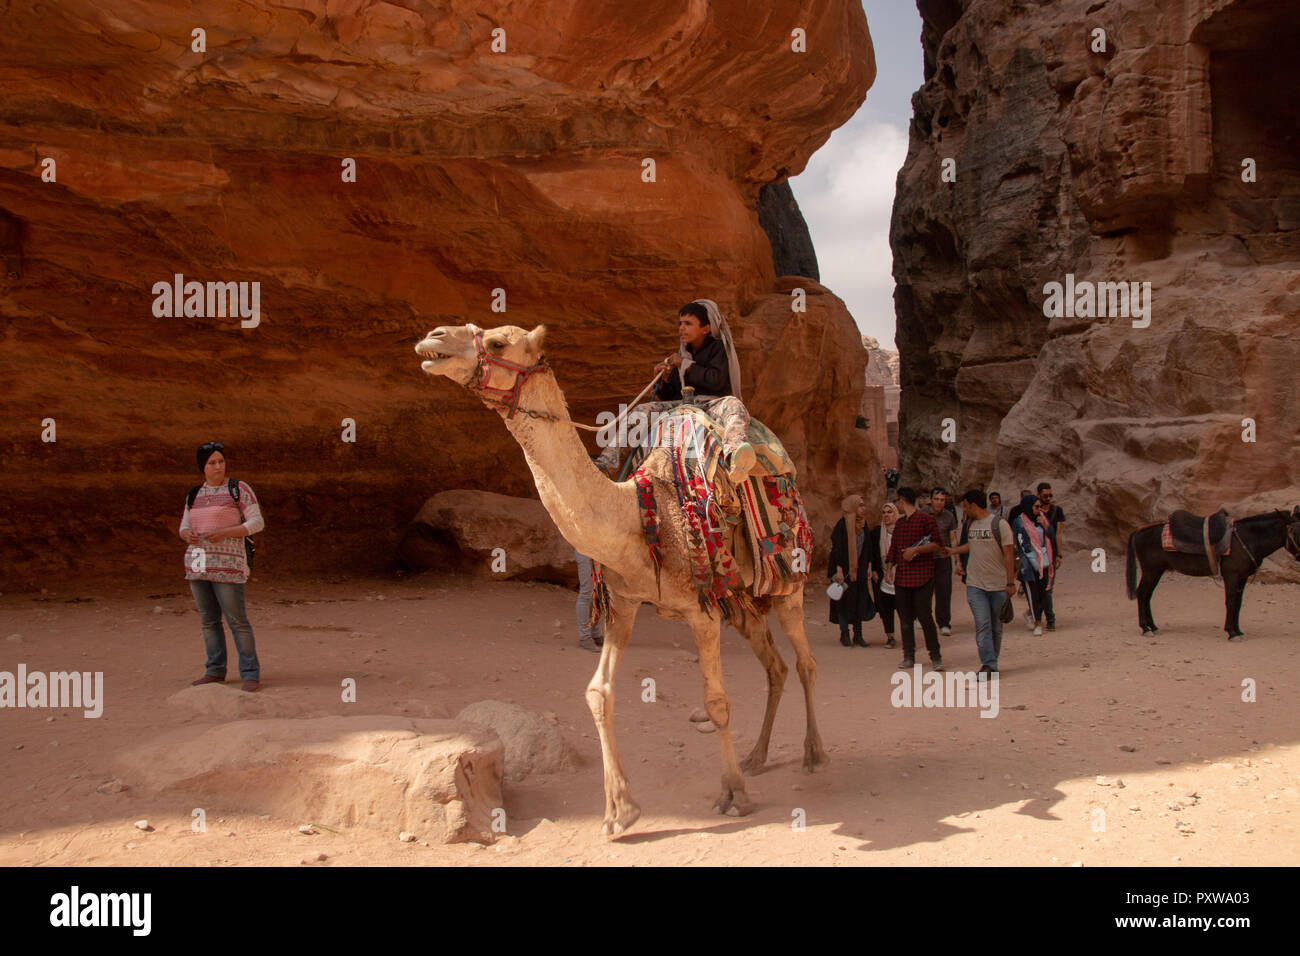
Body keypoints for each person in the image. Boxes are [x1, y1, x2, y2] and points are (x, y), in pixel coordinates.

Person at [630, 300, 757, 482]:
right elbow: (672, 395)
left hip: (712, 403)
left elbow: (717, 381)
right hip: (684, 405)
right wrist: (658, 380)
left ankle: (735, 455)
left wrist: (686, 366)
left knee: (734, 405)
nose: (682, 328)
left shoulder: (718, 349)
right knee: (641, 411)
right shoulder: (683, 354)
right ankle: (608, 462)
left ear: (706, 328)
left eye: (688, 324)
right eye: (680, 323)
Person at [179, 442, 265, 691]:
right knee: (208, 621)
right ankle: (215, 671)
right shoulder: (194, 494)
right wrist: (187, 535)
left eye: (221, 461)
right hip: (198, 563)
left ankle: (250, 673)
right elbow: (183, 526)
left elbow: (257, 522)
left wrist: (227, 532)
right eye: (212, 463)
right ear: (202, 468)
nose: (218, 466)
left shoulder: (238, 489)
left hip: (228, 562)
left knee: (236, 620)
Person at [944, 490, 1016, 675]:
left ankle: (992, 662)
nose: (965, 510)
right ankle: (989, 665)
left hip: (998, 585)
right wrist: (954, 551)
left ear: (973, 505)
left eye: (966, 506)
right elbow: (973, 544)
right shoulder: (970, 525)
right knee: (983, 624)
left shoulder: (999, 524)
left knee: (996, 627)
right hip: (975, 585)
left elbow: (1009, 553)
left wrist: (1010, 583)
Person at [884, 487, 944, 671]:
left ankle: (935, 656)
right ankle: (908, 655)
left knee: (925, 617)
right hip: (902, 578)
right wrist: (889, 569)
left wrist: (915, 550)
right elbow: (894, 549)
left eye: (897, 502)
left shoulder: (926, 520)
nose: (896, 506)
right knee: (905, 619)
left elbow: (937, 543)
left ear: (902, 501)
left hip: (923, 576)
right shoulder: (900, 524)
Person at [575, 452, 621, 652]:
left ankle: (595, 633)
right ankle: (585, 636)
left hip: (600, 548)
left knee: (599, 591)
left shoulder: (600, 497)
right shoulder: (581, 497)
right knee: (587, 592)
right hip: (586, 547)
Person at [828, 494, 876, 647]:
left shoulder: (863, 525)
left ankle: (858, 635)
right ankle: (844, 634)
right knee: (843, 603)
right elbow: (837, 551)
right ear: (852, 506)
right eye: (860, 505)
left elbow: (868, 547)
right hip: (844, 571)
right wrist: (840, 571)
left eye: (863, 505)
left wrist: (868, 566)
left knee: (859, 601)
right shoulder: (842, 526)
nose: (863, 508)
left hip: (859, 571)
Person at [1010, 492, 1054, 636]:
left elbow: (1052, 536)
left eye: (1040, 506)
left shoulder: (1041, 519)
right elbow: (1019, 543)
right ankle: (1037, 623)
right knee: (1032, 594)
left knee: (1043, 594)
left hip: (1043, 563)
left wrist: (1045, 525)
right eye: (1036, 507)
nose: (1039, 509)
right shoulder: (1019, 522)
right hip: (1028, 564)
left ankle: (1032, 616)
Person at [868, 501, 900, 648]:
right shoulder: (876, 532)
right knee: (885, 608)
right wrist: (874, 569)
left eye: (890, 512)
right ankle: (890, 636)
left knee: (903, 608)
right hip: (882, 576)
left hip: (900, 575)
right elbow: (873, 552)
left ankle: (907, 636)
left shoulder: (902, 530)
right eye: (884, 512)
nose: (886, 515)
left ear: (895, 514)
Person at [1035, 482, 1066, 631]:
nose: (1048, 498)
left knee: (1048, 587)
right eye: (1045, 495)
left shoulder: (1056, 511)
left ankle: (1049, 619)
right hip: (1035, 552)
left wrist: (1059, 554)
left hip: (1051, 552)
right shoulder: (1034, 511)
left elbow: (1058, 534)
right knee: (1039, 587)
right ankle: (1037, 616)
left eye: (1050, 495)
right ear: (1039, 495)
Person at [929, 487, 958, 636]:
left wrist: (956, 560)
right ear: (930, 500)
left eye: (942, 500)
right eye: (937, 499)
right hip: (925, 558)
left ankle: (944, 622)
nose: (939, 502)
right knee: (925, 591)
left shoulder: (949, 516)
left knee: (944, 591)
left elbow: (953, 538)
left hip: (943, 558)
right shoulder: (922, 514)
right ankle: (923, 618)